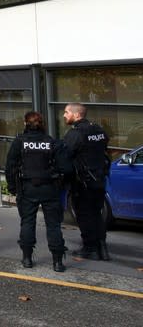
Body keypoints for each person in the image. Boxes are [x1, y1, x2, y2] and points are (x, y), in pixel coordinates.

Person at [5, 111, 71, 272]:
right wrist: (61, 185)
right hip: (50, 188)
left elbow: (10, 167)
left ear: (25, 124)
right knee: (54, 225)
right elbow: (66, 168)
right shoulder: (52, 142)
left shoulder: (19, 142)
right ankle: (57, 262)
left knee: (27, 222)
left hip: (27, 189)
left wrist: (13, 187)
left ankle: (27, 259)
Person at [62, 102, 111, 260]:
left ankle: (90, 248)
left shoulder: (76, 133)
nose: (64, 115)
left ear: (76, 115)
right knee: (97, 213)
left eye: (66, 112)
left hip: (82, 181)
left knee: (84, 215)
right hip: (99, 178)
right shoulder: (98, 129)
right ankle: (102, 247)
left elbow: (65, 154)